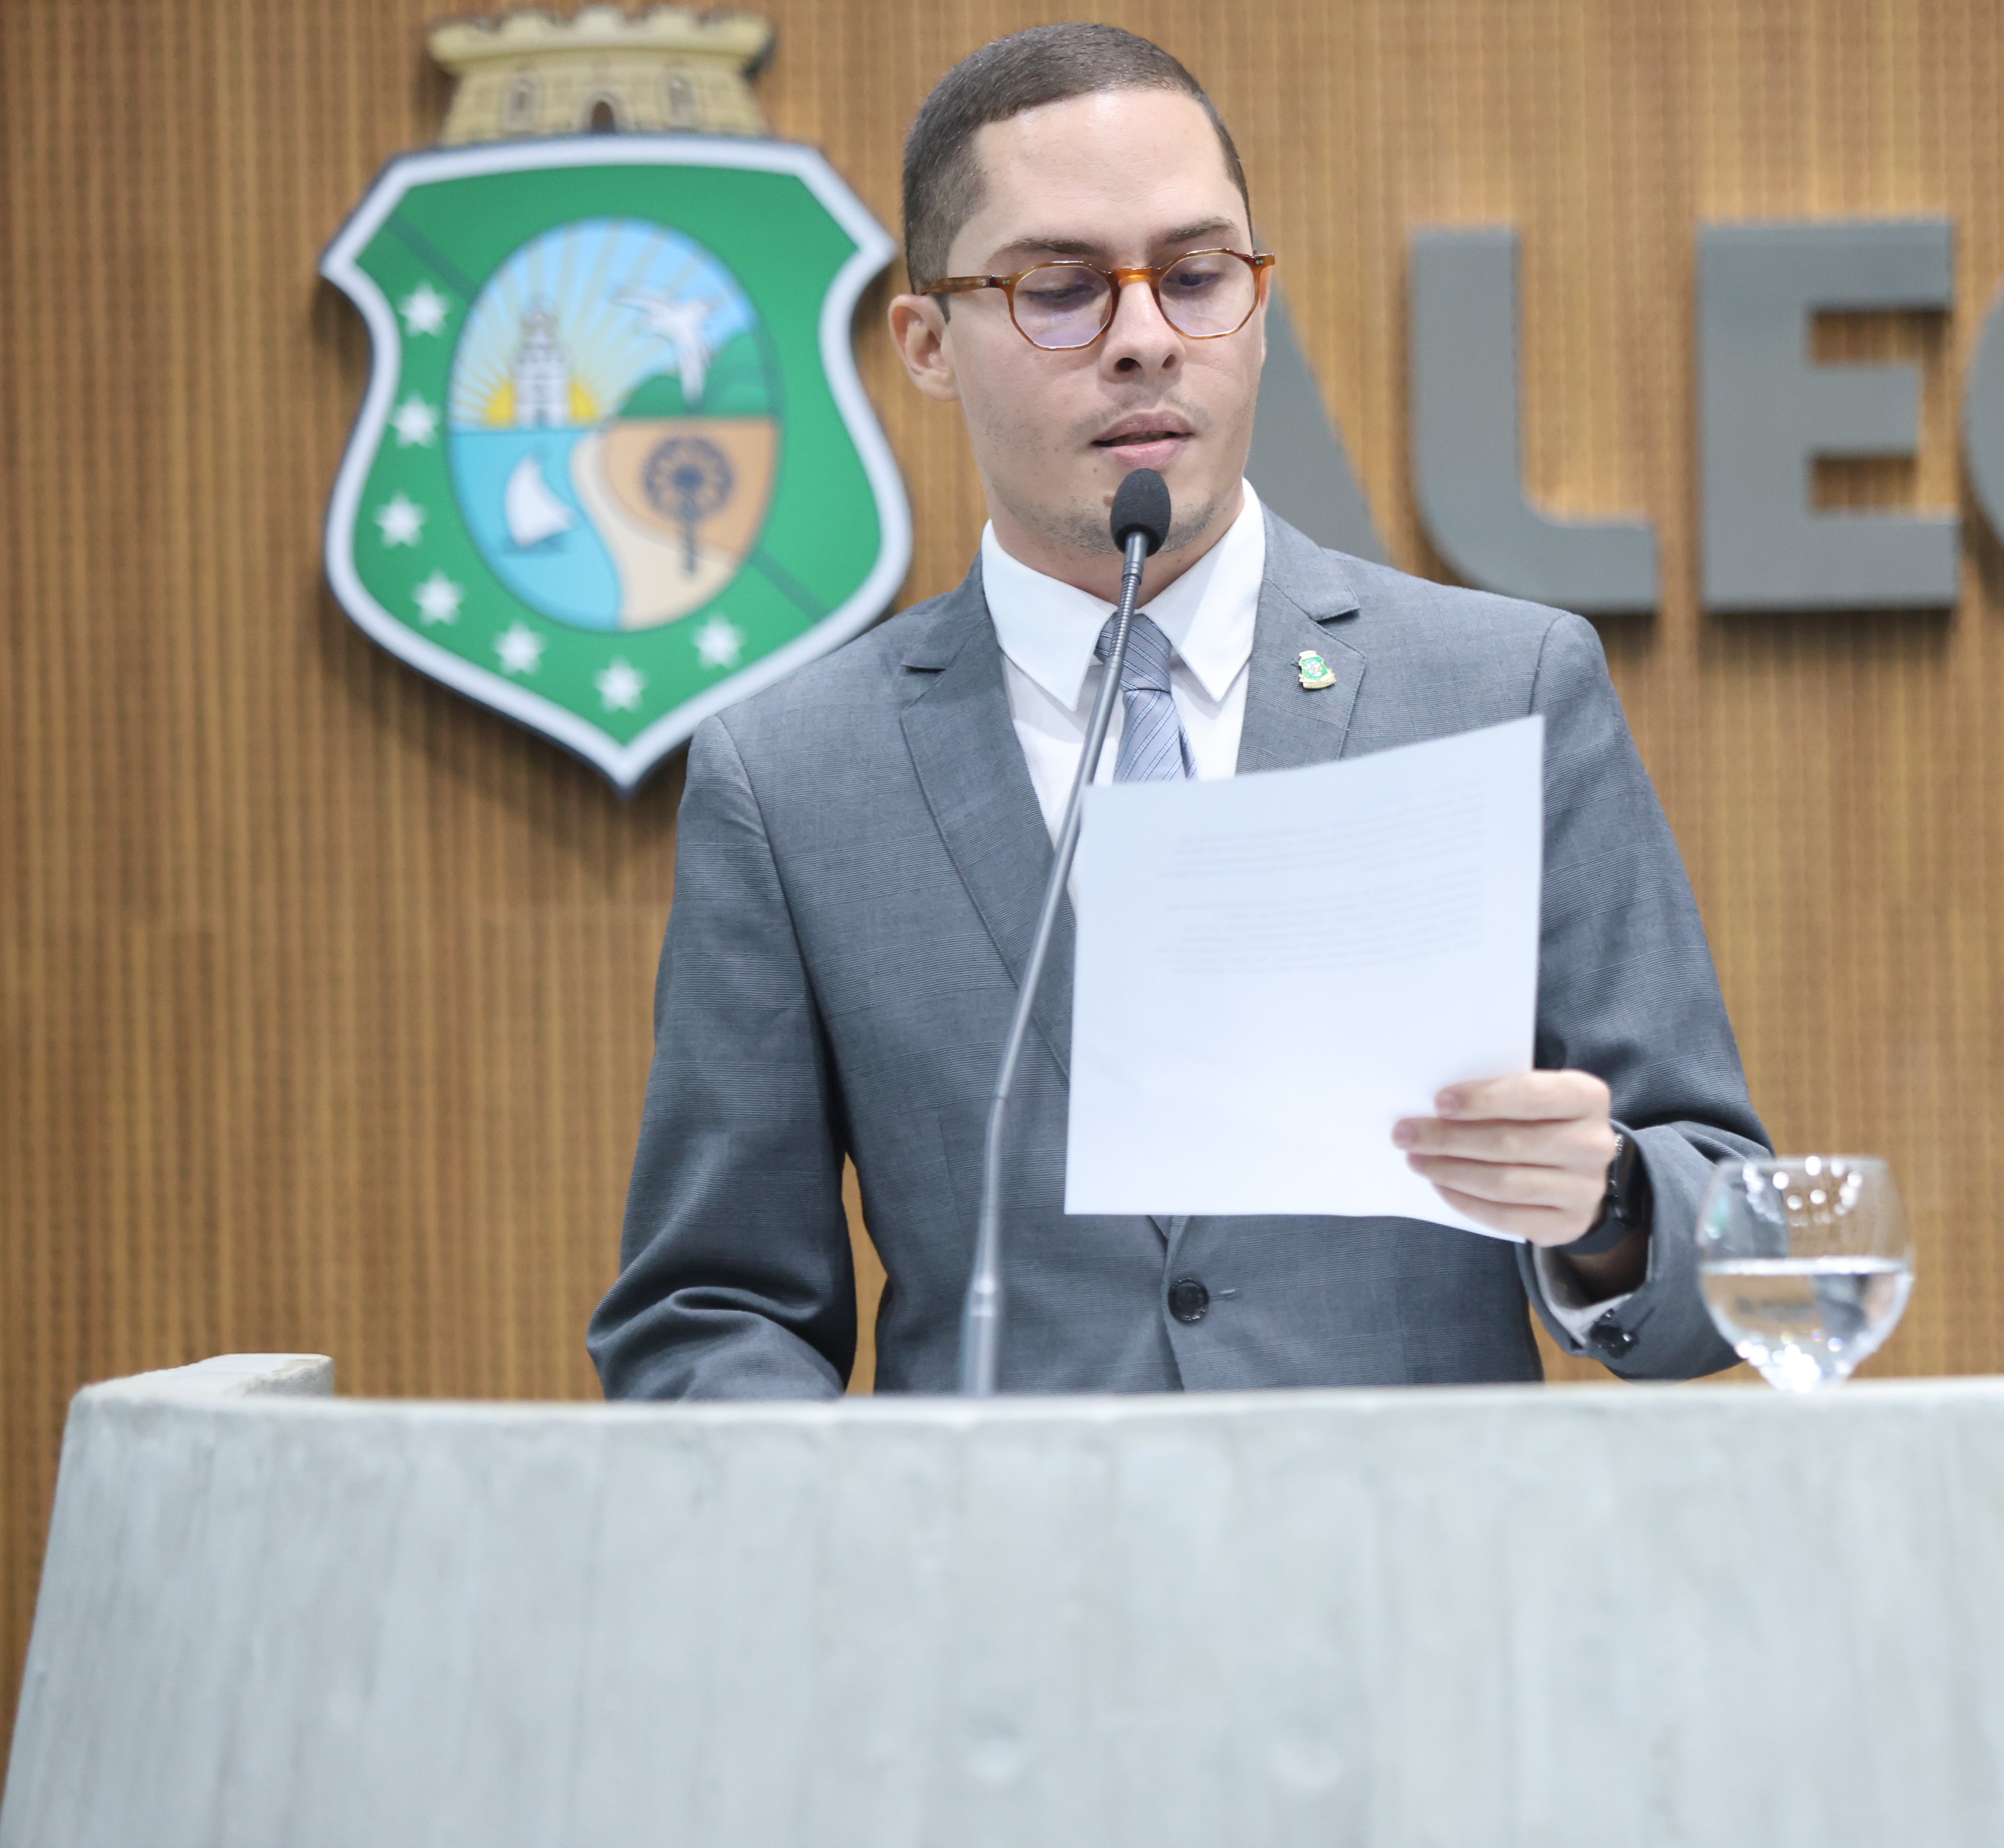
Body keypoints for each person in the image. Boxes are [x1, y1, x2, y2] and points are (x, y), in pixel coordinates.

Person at [588, 23, 1766, 1396]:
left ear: (1257, 306)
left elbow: (1727, 1232)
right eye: (1061, 290)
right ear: (927, 341)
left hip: (1417, 1535)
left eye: (1197, 277)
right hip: (1001, 1536)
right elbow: (710, 1313)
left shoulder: (1499, 691)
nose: (1147, 340)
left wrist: (1610, 1202)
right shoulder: (795, 776)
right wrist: (871, 1515)